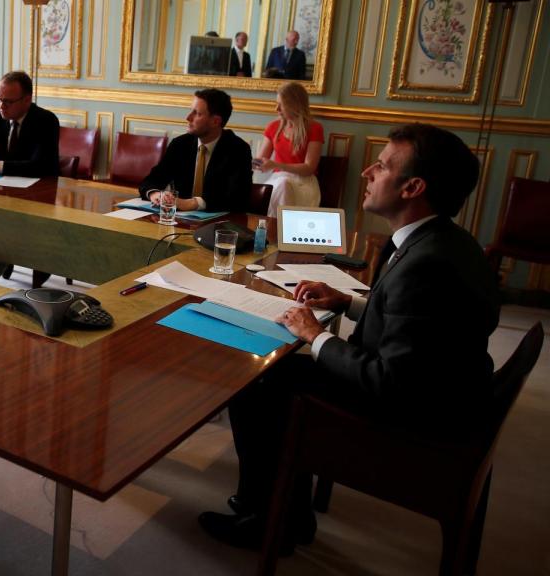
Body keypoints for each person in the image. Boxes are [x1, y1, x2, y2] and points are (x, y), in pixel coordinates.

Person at [198, 123, 500, 554]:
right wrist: (349, 302)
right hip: (445, 386)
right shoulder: (447, 241)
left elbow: (389, 381)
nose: (367, 173)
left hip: (415, 412)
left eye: (382, 166)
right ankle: (271, 502)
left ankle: (273, 523)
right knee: (274, 375)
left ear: (413, 187)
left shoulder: (426, 264)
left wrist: (316, 334)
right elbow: (414, 322)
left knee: (261, 383)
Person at [139, 88, 251, 213]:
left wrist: (193, 203)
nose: (188, 117)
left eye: (197, 113)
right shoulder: (180, 144)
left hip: (219, 226)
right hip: (178, 221)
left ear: (215, 121)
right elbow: (151, 180)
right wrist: (156, 195)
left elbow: (237, 198)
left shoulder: (238, 149)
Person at [256, 82, 323, 216]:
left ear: (294, 104)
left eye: (281, 104)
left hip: (303, 183)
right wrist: (255, 164)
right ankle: (275, 230)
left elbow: (309, 168)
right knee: (282, 184)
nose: (277, 109)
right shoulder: (273, 127)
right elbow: (259, 161)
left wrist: (276, 165)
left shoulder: (315, 129)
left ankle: (278, 230)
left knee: (284, 185)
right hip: (278, 180)